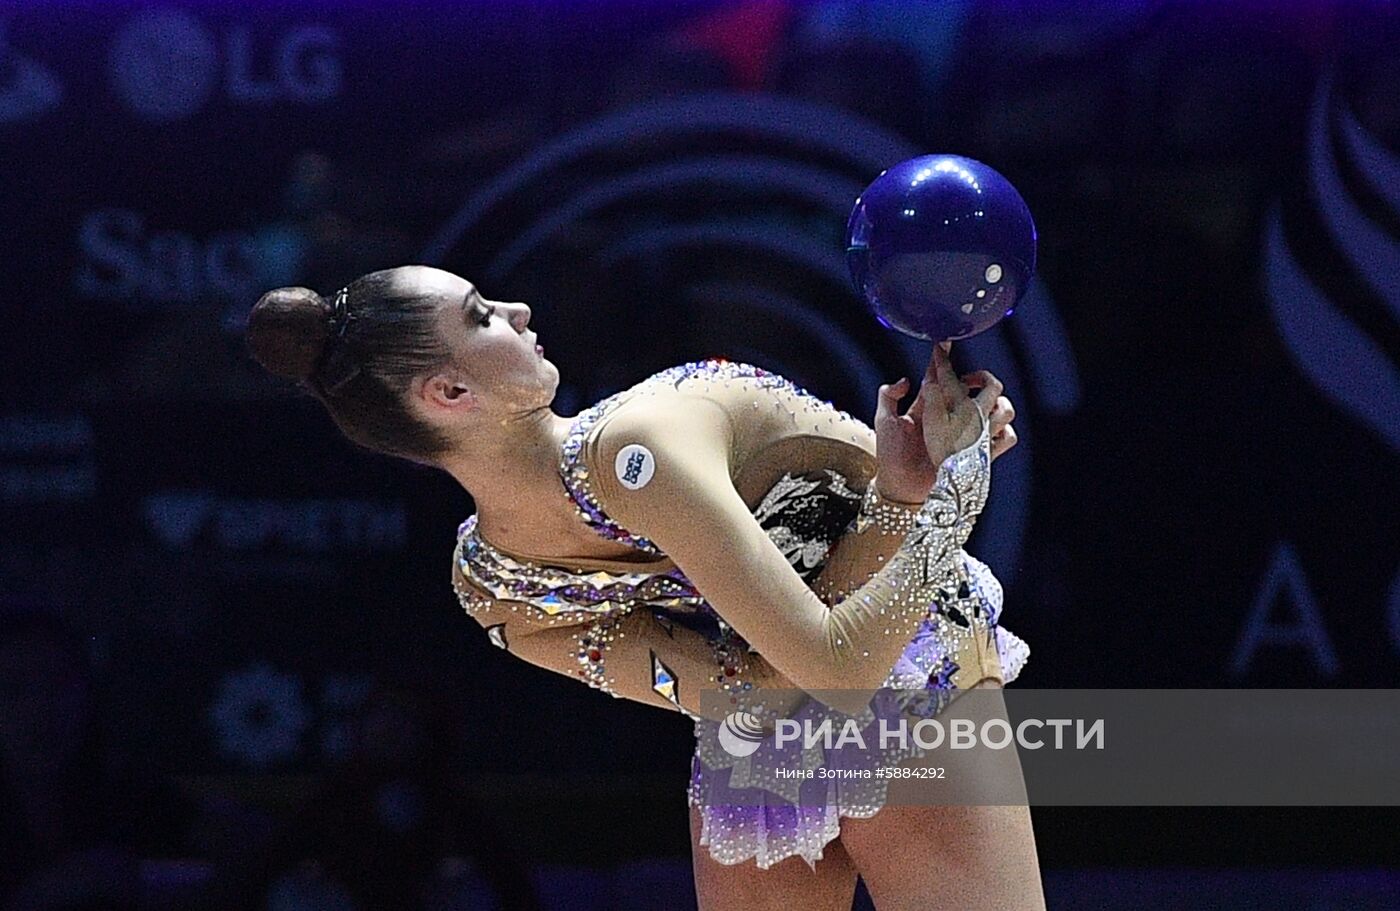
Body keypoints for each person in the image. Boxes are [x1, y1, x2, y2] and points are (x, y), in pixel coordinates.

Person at [246, 265, 1045, 910]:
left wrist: (905, 503)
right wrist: (950, 489)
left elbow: (788, 681)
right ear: (449, 395)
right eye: (484, 314)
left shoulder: (608, 476)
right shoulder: (500, 578)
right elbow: (787, 685)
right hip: (801, 696)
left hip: (903, 660)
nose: (522, 310)